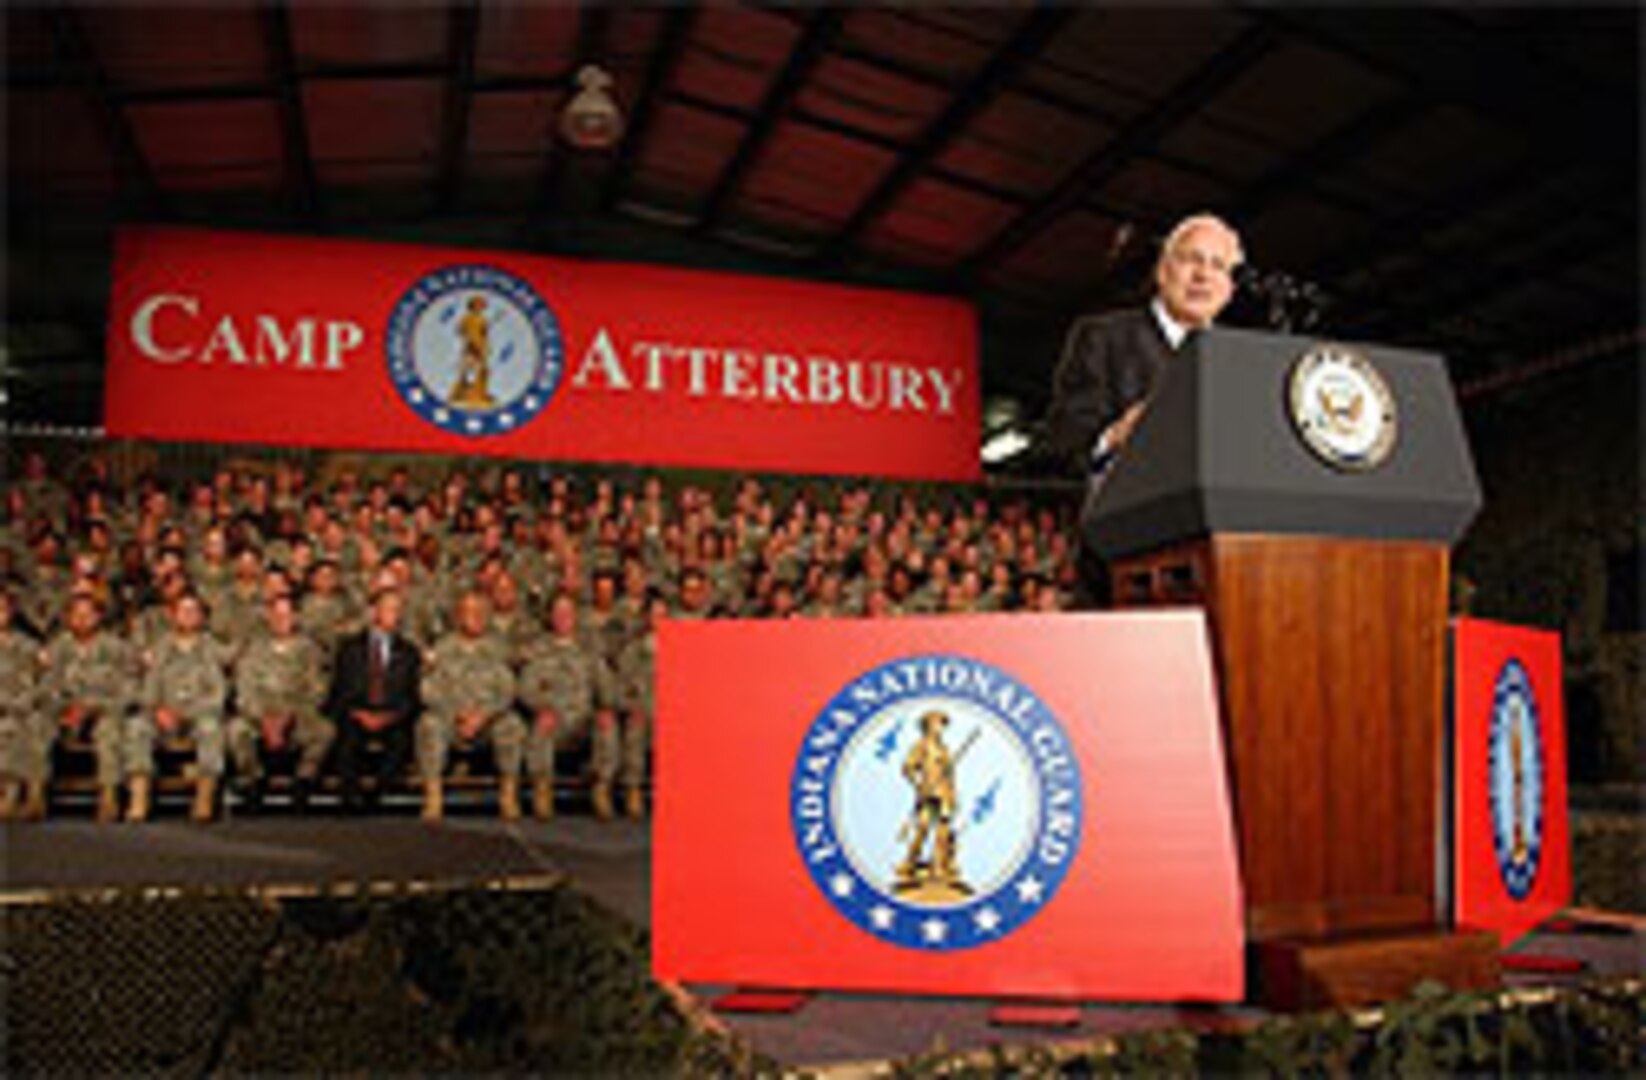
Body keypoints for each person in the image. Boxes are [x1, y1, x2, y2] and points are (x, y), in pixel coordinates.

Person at [1044, 212, 1243, 604]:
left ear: (1230, 289)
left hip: (1226, 564)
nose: (1203, 275)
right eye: (1192, 259)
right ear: (1163, 271)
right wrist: (1113, 436)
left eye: (1218, 265)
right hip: (1125, 569)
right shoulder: (1103, 338)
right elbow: (1061, 440)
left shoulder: (1239, 363)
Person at [416, 591, 523, 821]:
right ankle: (433, 796)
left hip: (487, 722)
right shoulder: (443, 648)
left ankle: (508, 794)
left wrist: (484, 715)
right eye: (468, 612)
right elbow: (429, 691)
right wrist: (455, 715)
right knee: (428, 724)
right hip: (451, 722)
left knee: (511, 725)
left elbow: (507, 690)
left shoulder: (498, 648)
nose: (474, 617)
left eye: (480, 612)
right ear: (458, 616)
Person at [131, 591, 230, 822]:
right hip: (163, 714)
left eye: (193, 611)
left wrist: (187, 714)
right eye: (182, 611)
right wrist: (157, 710)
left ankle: (204, 799)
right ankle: (139, 797)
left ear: (202, 617)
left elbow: (218, 694)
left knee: (211, 728)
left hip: (198, 715)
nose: (188, 616)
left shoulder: (213, 649)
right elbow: (147, 689)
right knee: (137, 727)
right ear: (172, 615)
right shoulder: (159, 649)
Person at [229, 593, 333, 813]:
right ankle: (252, 782)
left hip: (297, 716)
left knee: (324, 730)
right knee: (236, 730)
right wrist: (264, 717)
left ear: (296, 617)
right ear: (268, 617)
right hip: (260, 716)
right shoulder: (253, 649)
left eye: (287, 615)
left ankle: (304, 781)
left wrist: (288, 717)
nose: (281, 620)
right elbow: (244, 690)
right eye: (276, 615)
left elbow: (318, 691)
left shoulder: (310, 650)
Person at [516, 594, 617, 820]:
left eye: (568, 612)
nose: (563, 618)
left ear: (576, 616)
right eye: (558, 613)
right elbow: (525, 688)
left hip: (583, 721)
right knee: (540, 725)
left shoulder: (589, 650)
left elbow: (607, 687)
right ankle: (542, 790)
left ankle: (602, 789)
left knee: (607, 724)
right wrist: (540, 707)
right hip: (552, 721)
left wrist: (605, 708)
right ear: (550, 617)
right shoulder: (538, 649)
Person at [326, 587, 422, 812]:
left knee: (400, 740)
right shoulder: (350, 649)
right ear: (373, 612)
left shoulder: (408, 651)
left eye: (398, 610)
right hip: (357, 713)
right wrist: (359, 713)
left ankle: (378, 798)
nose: (394, 615)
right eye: (388, 609)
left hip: (393, 716)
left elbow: (412, 696)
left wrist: (391, 716)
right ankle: (351, 799)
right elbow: (339, 691)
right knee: (346, 738)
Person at [42, 594, 136, 822]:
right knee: (37, 724)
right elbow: (45, 687)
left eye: (89, 614)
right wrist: (63, 709)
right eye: (77, 614)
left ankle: (109, 795)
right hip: (65, 714)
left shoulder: (117, 648)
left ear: (99, 617)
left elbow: (130, 690)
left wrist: (95, 708)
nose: (83, 620)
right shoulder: (58, 649)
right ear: (68, 618)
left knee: (110, 730)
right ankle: (33, 793)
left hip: (104, 712)